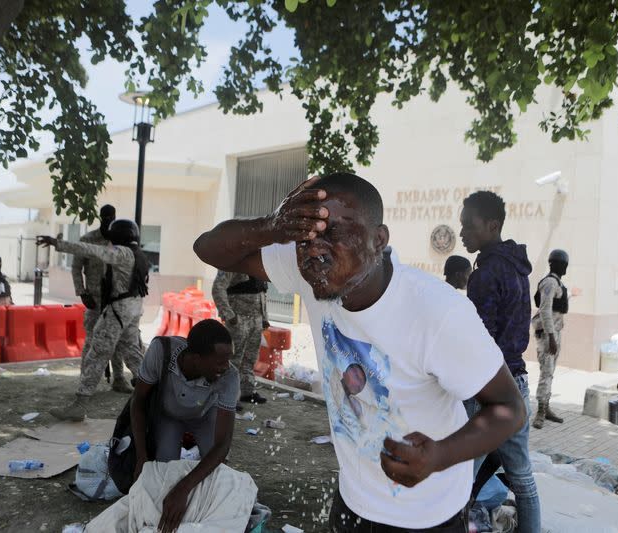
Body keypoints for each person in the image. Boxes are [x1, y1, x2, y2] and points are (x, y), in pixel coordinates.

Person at [194, 173, 526, 532]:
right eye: (304, 237)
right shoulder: (309, 269)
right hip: (353, 502)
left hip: (429, 515)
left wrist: (439, 455)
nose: (314, 249)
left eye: (334, 233)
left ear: (378, 240)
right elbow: (208, 248)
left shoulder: (436, 312)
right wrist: (273, 226)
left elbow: (509, 408)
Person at [460, 190, 540, 533]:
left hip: (487, 385)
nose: (462, 232)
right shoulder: (516, 268)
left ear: (492, 226)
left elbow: (480, 340)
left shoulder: (485, 275)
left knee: (460, 472)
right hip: (517, 381)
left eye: (468, 226)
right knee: (522, 477)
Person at [131, 319, 239, 533]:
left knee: (219, 471)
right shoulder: (161, 351)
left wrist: (184, 489)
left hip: (204, 416)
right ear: (197, 359)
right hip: (168, 416)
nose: (226, 367)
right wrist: (141, 458)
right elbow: (138, 402)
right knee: (163, 474)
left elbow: (222, 445)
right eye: (219, 362)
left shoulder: (230, 376)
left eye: (228, 360)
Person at [37, 219, 149, 421]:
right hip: (134, 308)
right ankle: (154, 396)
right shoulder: (139, 255)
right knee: (133, 353)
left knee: (96, 353)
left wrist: (58, 243)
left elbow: (90, 250)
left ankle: (80, 404)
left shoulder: (123, 254)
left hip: (118, 310)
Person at [71, 204, 131, 393]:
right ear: (100, 217)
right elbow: (76, 267)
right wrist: (82, 292)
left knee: (117, 340)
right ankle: (85, 380)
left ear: (115, 217)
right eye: (105, 217)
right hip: (95, 300)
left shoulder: (122, 241)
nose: (108, 220)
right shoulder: (88, 240)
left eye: (110, 217)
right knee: (92, 341)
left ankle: (119, 378)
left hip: (116, 300)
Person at [211, 270, 269, 405]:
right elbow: (218, 288)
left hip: (256, 321)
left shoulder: (256, 266)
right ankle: (228, 396)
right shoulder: (232, 263)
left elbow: (261, 293)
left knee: (250, 359)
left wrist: (264, 318)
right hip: (238, 320)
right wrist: (229, 315)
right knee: (232, 360)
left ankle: (246, 392)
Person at [531, 249, 569, 429]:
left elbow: (555, 309)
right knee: (546, 372)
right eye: (564, 265)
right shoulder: (550, 283)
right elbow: (545, 310)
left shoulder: (557, 283)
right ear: (558, 265)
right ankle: (540, 411)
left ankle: (546, 408)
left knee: (550, 371)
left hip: (554, 332)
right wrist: (552, 337)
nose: (566, 269)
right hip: (548, 335)